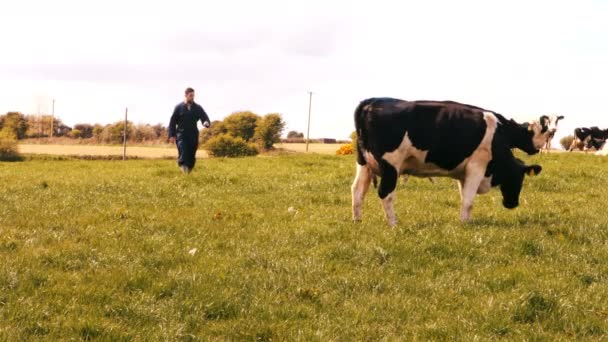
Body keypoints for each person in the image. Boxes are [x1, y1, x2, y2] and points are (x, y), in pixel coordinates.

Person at [168, 87, 211, 174]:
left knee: (191, 155)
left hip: (193, 134)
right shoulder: (178, 107)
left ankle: (188, 172)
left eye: (193, 96)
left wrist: (206, 122)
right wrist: (171, 135)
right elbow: (172, 121)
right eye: (191, 96)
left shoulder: (197, 107)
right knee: (184, 152)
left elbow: (204, 117)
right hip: (181, 134)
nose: (192, 97)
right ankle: (185, 173)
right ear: (186, 95)